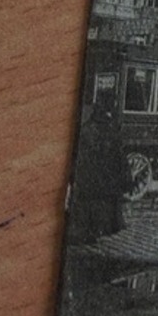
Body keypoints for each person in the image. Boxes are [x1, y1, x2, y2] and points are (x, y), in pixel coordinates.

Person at [67, 102, 129, 243]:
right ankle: (95, 231)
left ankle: (88, 231)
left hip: (90, 174)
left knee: (89, 204)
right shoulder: (109, 129)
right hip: (102, 175)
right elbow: (117, 154)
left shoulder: (89, 128)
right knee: (99, 204)